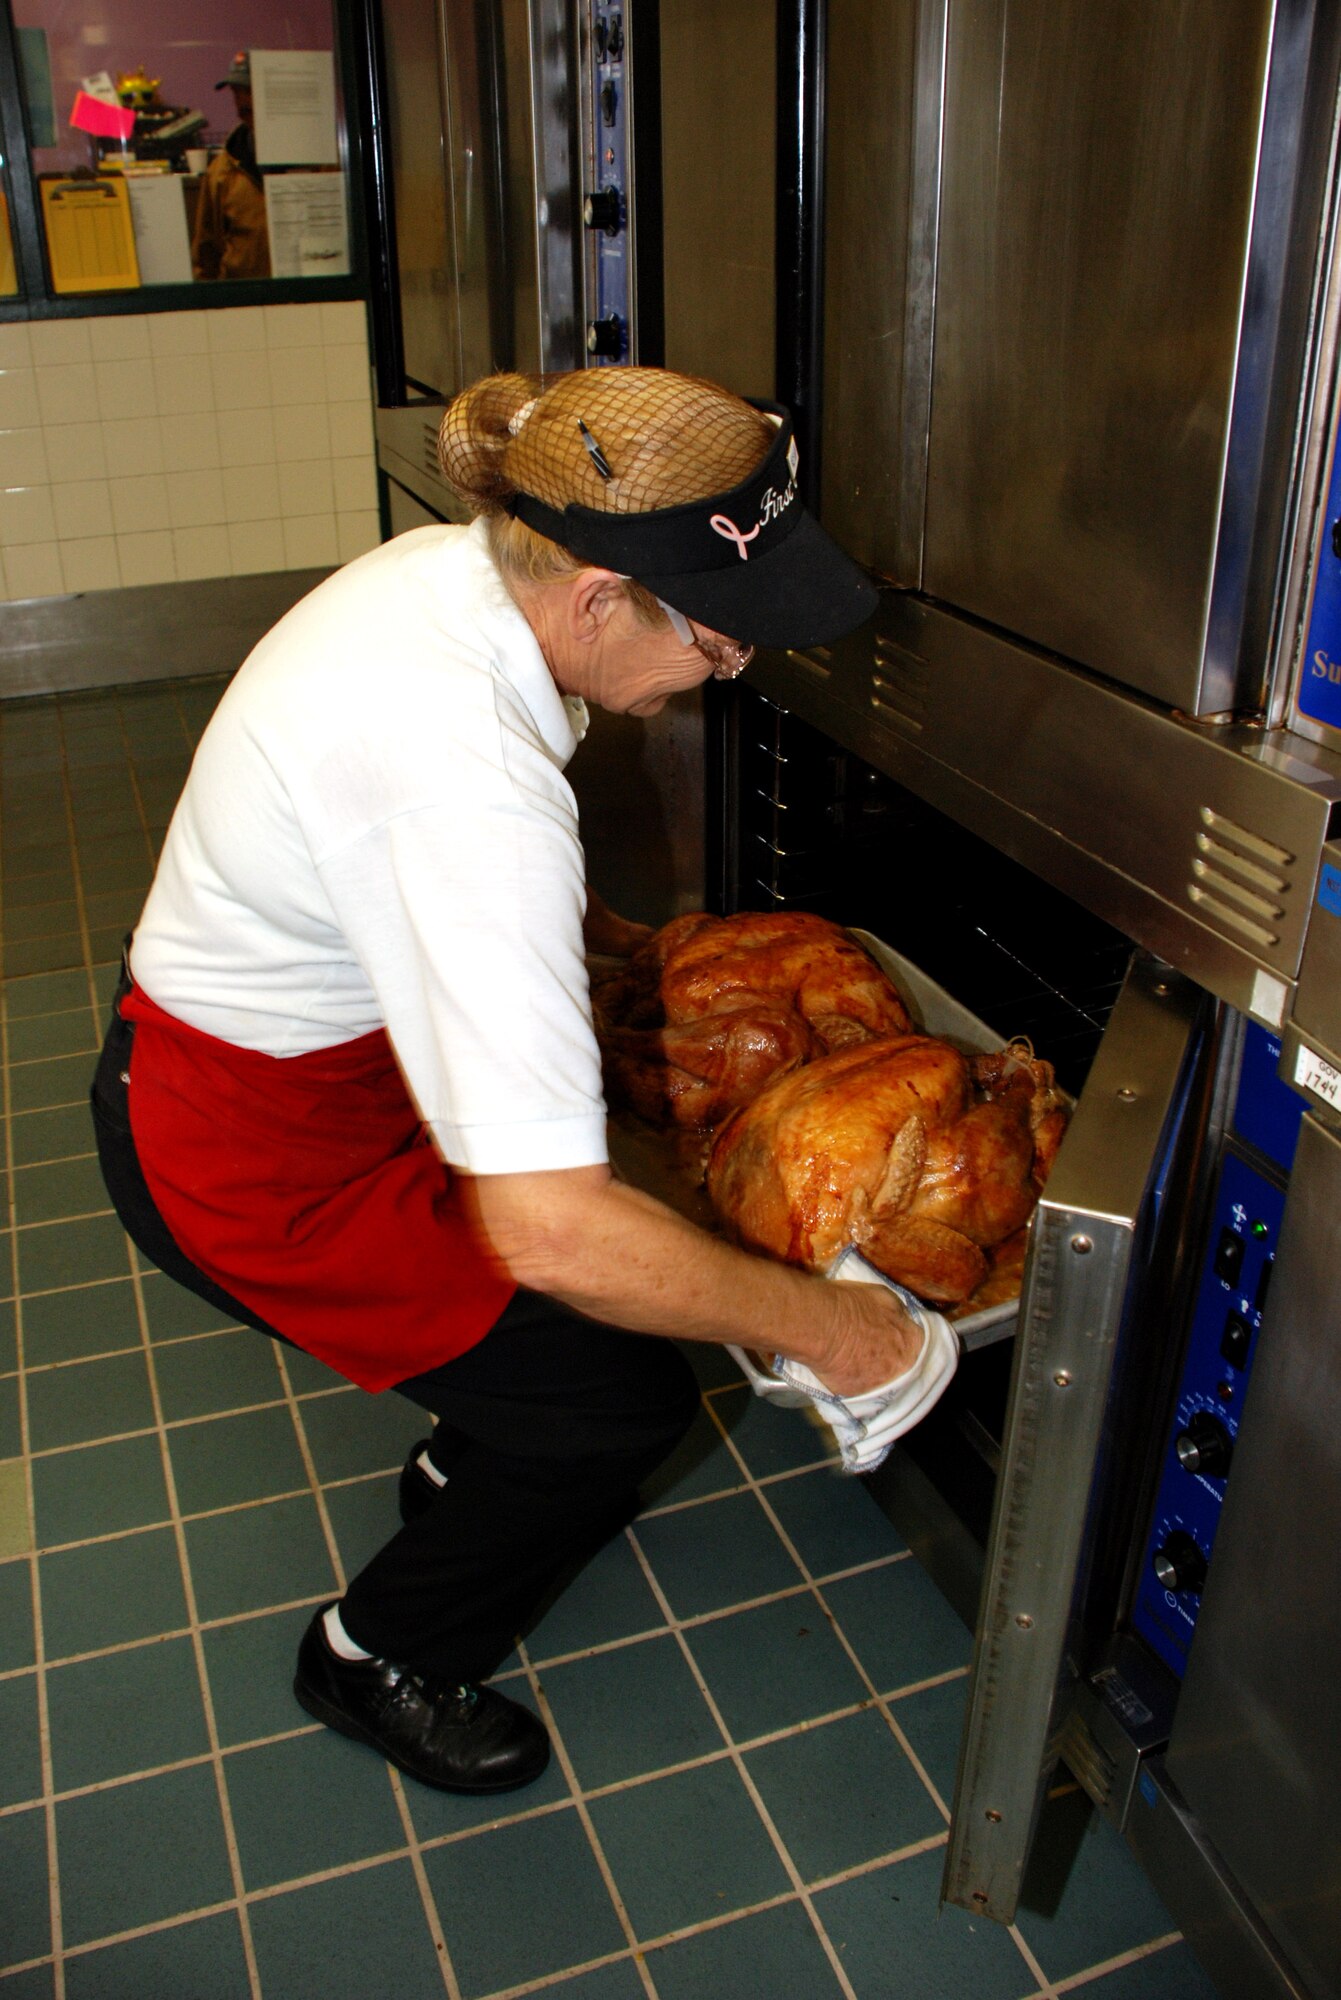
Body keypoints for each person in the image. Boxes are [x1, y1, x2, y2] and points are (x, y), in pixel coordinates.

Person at [90, 366, 922, 1797]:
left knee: (550, 1379)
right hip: (247, 1155)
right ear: (598, 596)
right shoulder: (455, 771)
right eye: (722, 643)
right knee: (618, 1408)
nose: (731, 673)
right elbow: (553, 1230)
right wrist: (848, 1338)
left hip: (336, 1072)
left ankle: (481, 1451)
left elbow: (416, 890)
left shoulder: (459, 575)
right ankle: (376, 1654)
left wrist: (595, 962)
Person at [190, 51, 270, 282]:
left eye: (249, 90)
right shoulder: (222, 171)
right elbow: (206, 253)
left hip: (311, 299)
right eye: (237, 92)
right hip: (244, 303)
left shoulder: (314, 161)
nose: (242, 101)